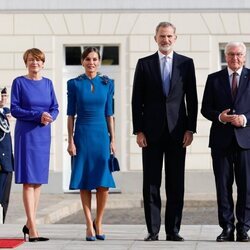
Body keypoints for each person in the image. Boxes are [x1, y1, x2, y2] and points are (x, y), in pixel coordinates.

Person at [131, 21, 198, 242]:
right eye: (162, 36)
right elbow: (136, 100)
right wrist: (138, 130)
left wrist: (191, 128)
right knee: (151, 182)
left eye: (169, 36)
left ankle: (173, 230)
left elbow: (192, 99)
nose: (165, 40)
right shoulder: (144, 64)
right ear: (155, 38)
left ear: (175, 38)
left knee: (176, 183)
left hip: (178, 133)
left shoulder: (186, 64)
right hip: (150, 134)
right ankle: (153, 230)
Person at [201, 41, 250, 242]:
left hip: (245, 141)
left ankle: (244, 228)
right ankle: (227, 227)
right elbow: (205, 108)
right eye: (230, 54)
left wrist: (245, 119)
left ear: (244, 57)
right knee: (223, 186)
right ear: (225, 56)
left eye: (238, 54)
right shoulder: (214, 79)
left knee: (246, 187)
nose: (235, 58)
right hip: (221, 142)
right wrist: (219, 117)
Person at [67, 47, 116, 241]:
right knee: (85, 182)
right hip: (82, 135)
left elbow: (109, 114)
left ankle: (99, 222)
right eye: (88, 59)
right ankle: (88, 224)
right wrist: (70, 140)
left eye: (95, 59)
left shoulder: (107, 83)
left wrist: (113, 139)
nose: (91, 62)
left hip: (101, 136)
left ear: (99, 61)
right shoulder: (74, 84)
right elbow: (71, 115)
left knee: (103, 184)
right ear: (82, 61)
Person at [10, 48, 59, 242]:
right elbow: (14, 109)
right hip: (26, 134)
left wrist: (50, 117)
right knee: (29, 181)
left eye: (38, 60)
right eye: (31, 60)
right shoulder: (19, 82)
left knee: (38, 181)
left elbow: (54, 107)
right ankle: (34, 229)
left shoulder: (48, 84)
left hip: (43, 134)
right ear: (26, 62)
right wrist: (37, 115)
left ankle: (29, 224)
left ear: (43, 63)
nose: (35, 63)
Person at [0, 87, 14, 223]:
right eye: (1, 95)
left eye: (5, 96)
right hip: (1, 162)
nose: (4, 98)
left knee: (4, 199)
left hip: (7, 162)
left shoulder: (5, 113)